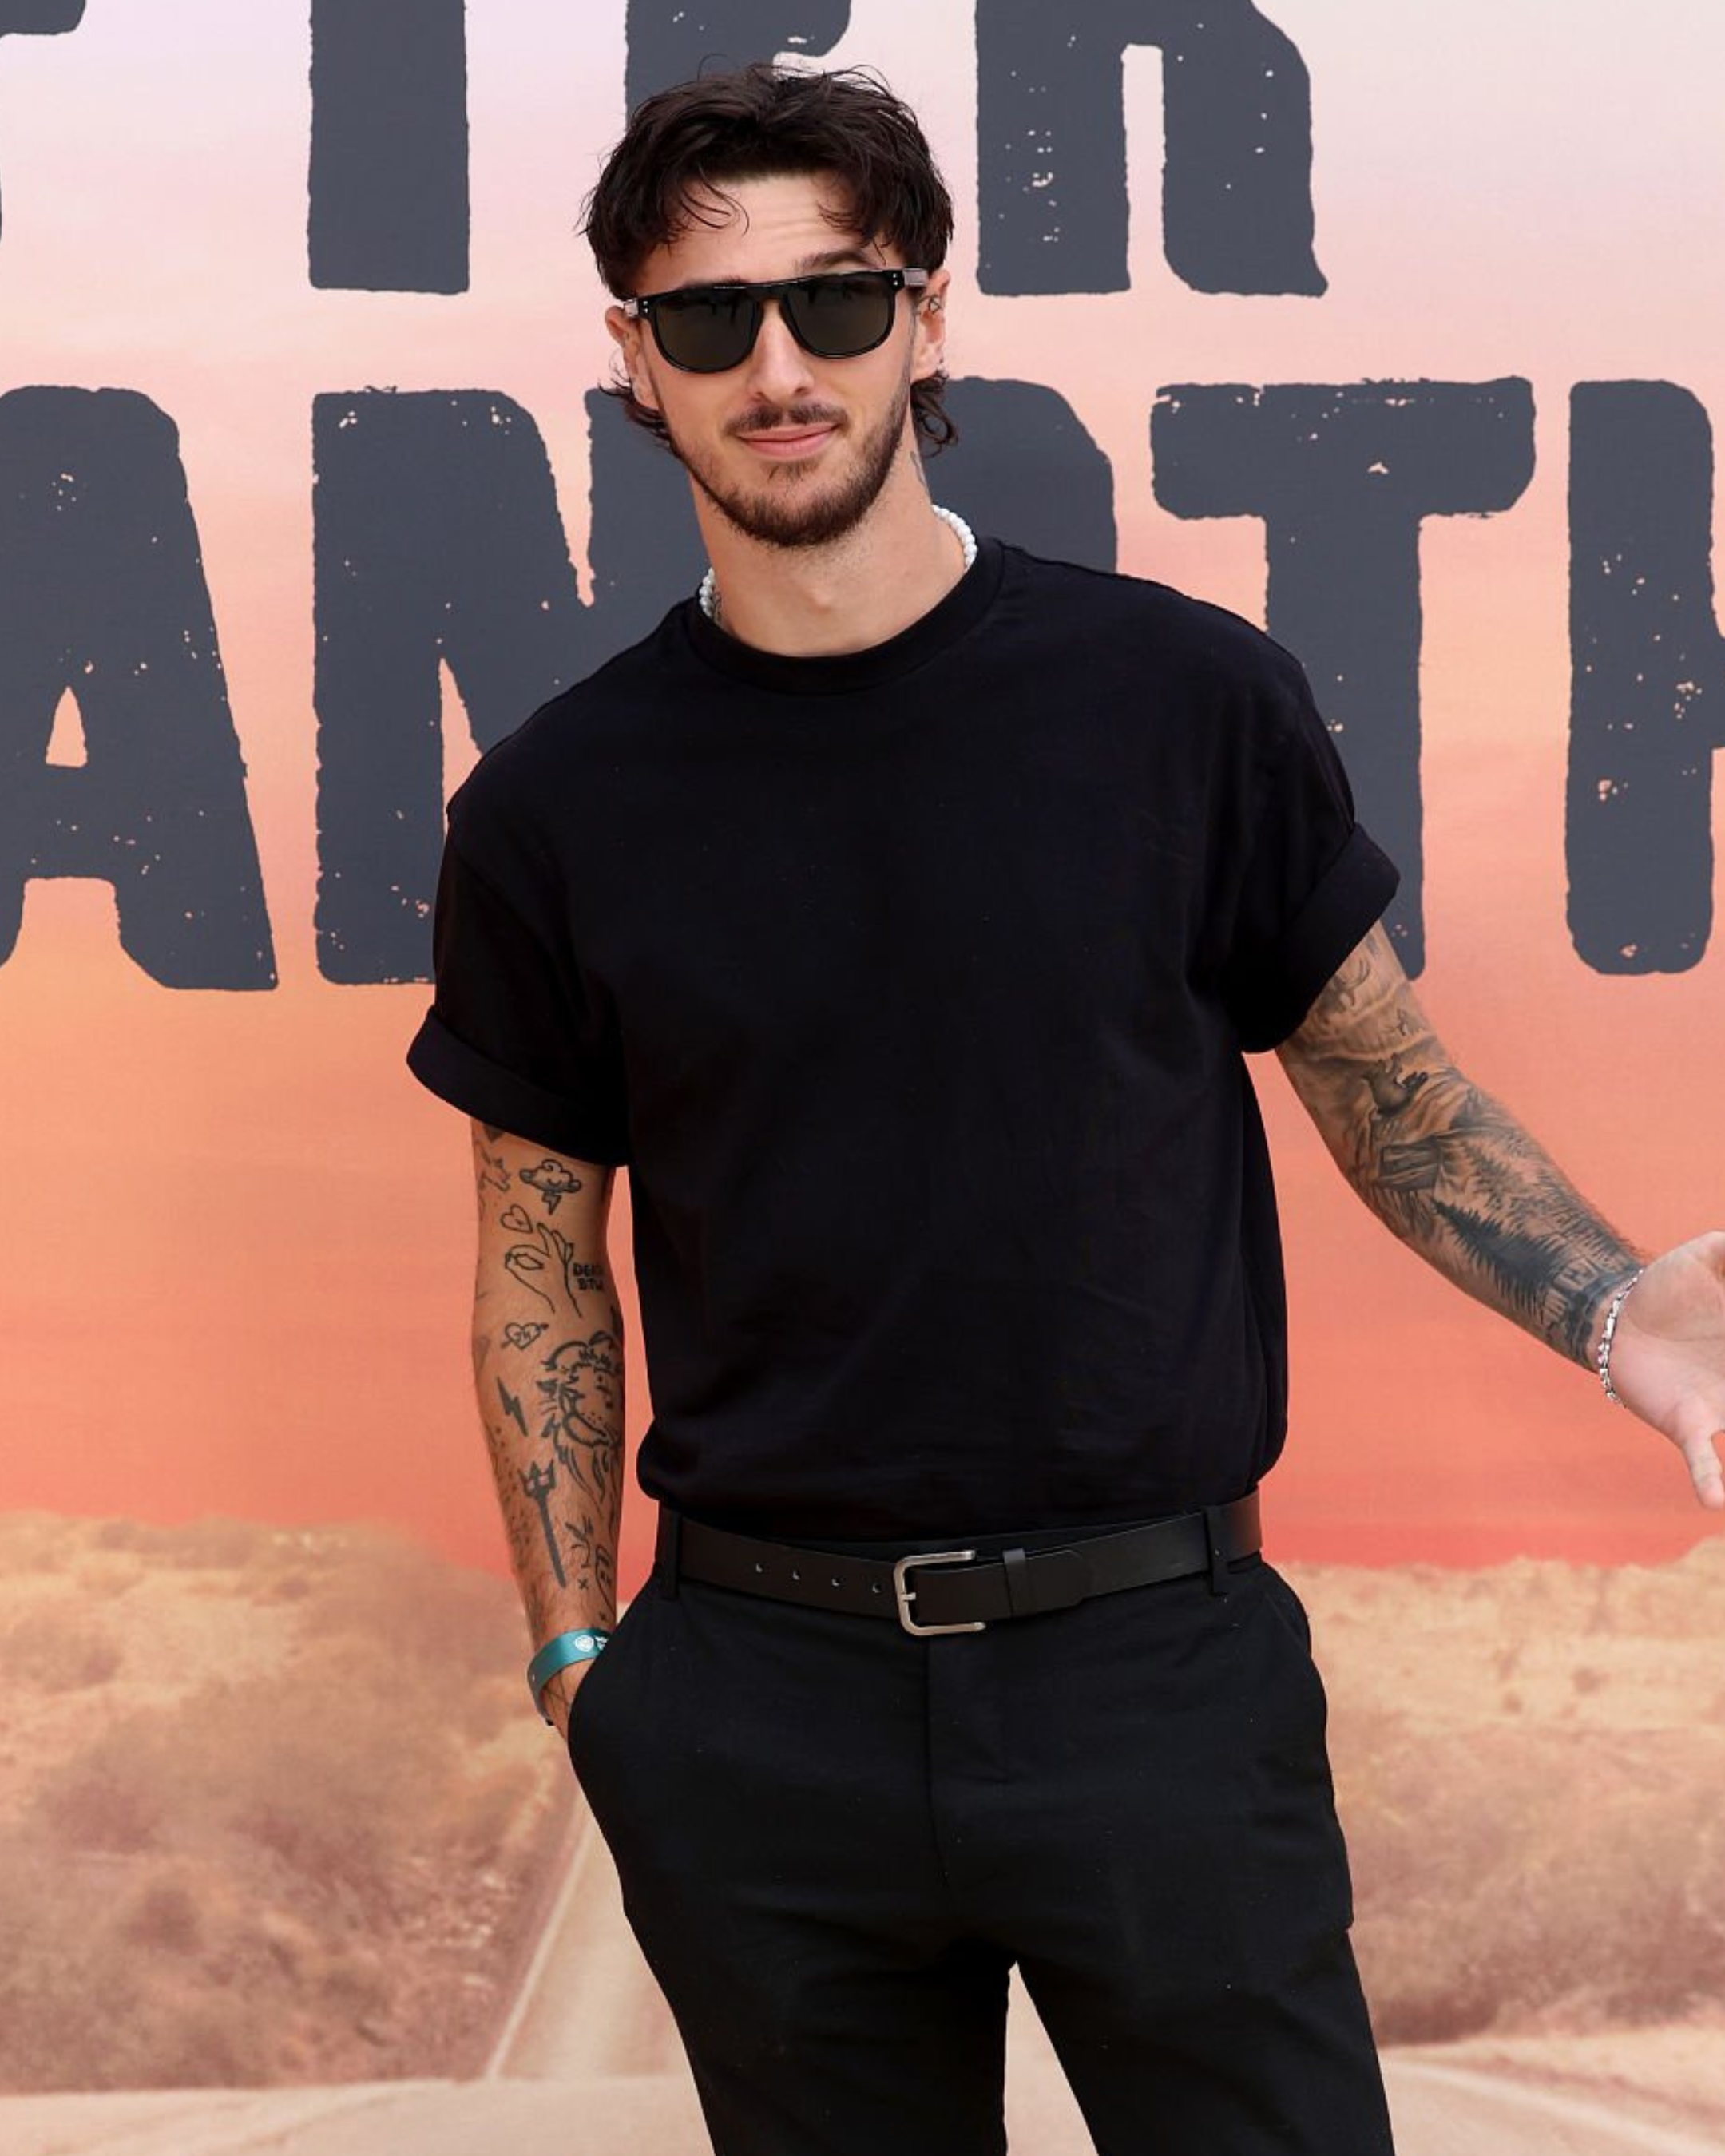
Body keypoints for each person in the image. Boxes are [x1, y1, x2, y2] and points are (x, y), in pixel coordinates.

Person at [406, 61, 1725, 2156]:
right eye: (707, 317)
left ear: (928, 322)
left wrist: (1609, 1313)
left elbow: (1383, 1085)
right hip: (760, 1697)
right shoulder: (555, 809)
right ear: (631, 363)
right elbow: (535, 1252)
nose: (779, 365)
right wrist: (585, 1660)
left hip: (1154, 1673)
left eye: (837, 304)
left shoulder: (1181, 704)